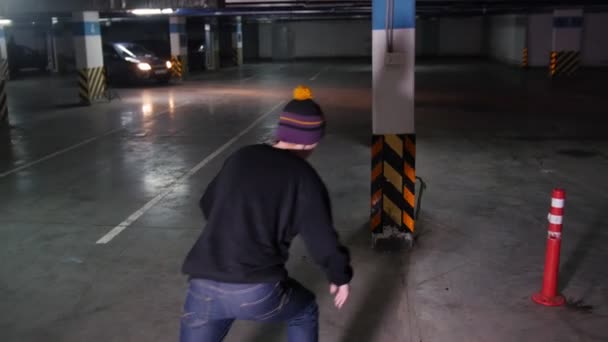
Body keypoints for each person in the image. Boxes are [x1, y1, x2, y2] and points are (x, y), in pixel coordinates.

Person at [180, 85, 353, 342]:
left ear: (280, 132)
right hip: (256, 290)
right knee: (304, 311)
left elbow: (208, 203)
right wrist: (340, 276)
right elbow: (323, 242)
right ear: (312, 142)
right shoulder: (304, 178)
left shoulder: (242, 156)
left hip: (202, 284)